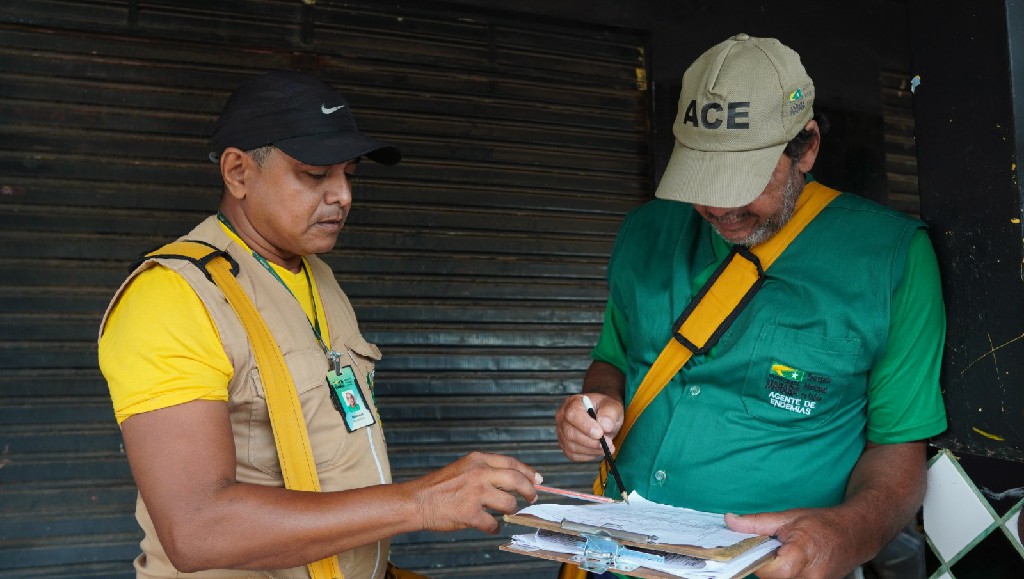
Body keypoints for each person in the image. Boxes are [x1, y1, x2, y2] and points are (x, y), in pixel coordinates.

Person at [98, 70, 540, 579]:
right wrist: (419, 503)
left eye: (349, 173)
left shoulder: (317, 277)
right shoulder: (173, 297)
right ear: (238, 172)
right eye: (314, 174)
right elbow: (198, 530)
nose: (343, 195)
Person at [554, 34, 947, 579]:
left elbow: (898, 447)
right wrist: (596, 403)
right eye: (703, 178)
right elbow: (612, 361)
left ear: (806, 147)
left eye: (743, 180)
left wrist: (849, 534)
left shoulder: (891, 259)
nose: (718, 206)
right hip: (613, 559)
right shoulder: (644, 233)